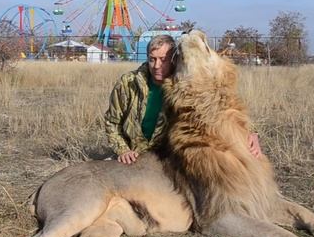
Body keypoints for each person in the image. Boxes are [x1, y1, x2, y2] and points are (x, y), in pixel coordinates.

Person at [104, 34, 262, 165]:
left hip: (162, 158)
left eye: (163, 59)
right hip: (130, 154)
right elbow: (112, 122)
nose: (157, 65)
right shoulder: (128, 83)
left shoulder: (181, 88)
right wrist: (123, 150)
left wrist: (249, 133)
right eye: (152, 59)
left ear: (174, 60)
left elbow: (217, 111)